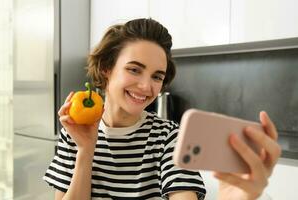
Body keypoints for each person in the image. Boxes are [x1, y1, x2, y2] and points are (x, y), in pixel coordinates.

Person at [43, 18, 281, 200]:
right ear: (106, 67)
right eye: (134, 69)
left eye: (157, 76)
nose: (147, 87)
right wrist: (85, 150)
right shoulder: (75, 130)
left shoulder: (169, 137)